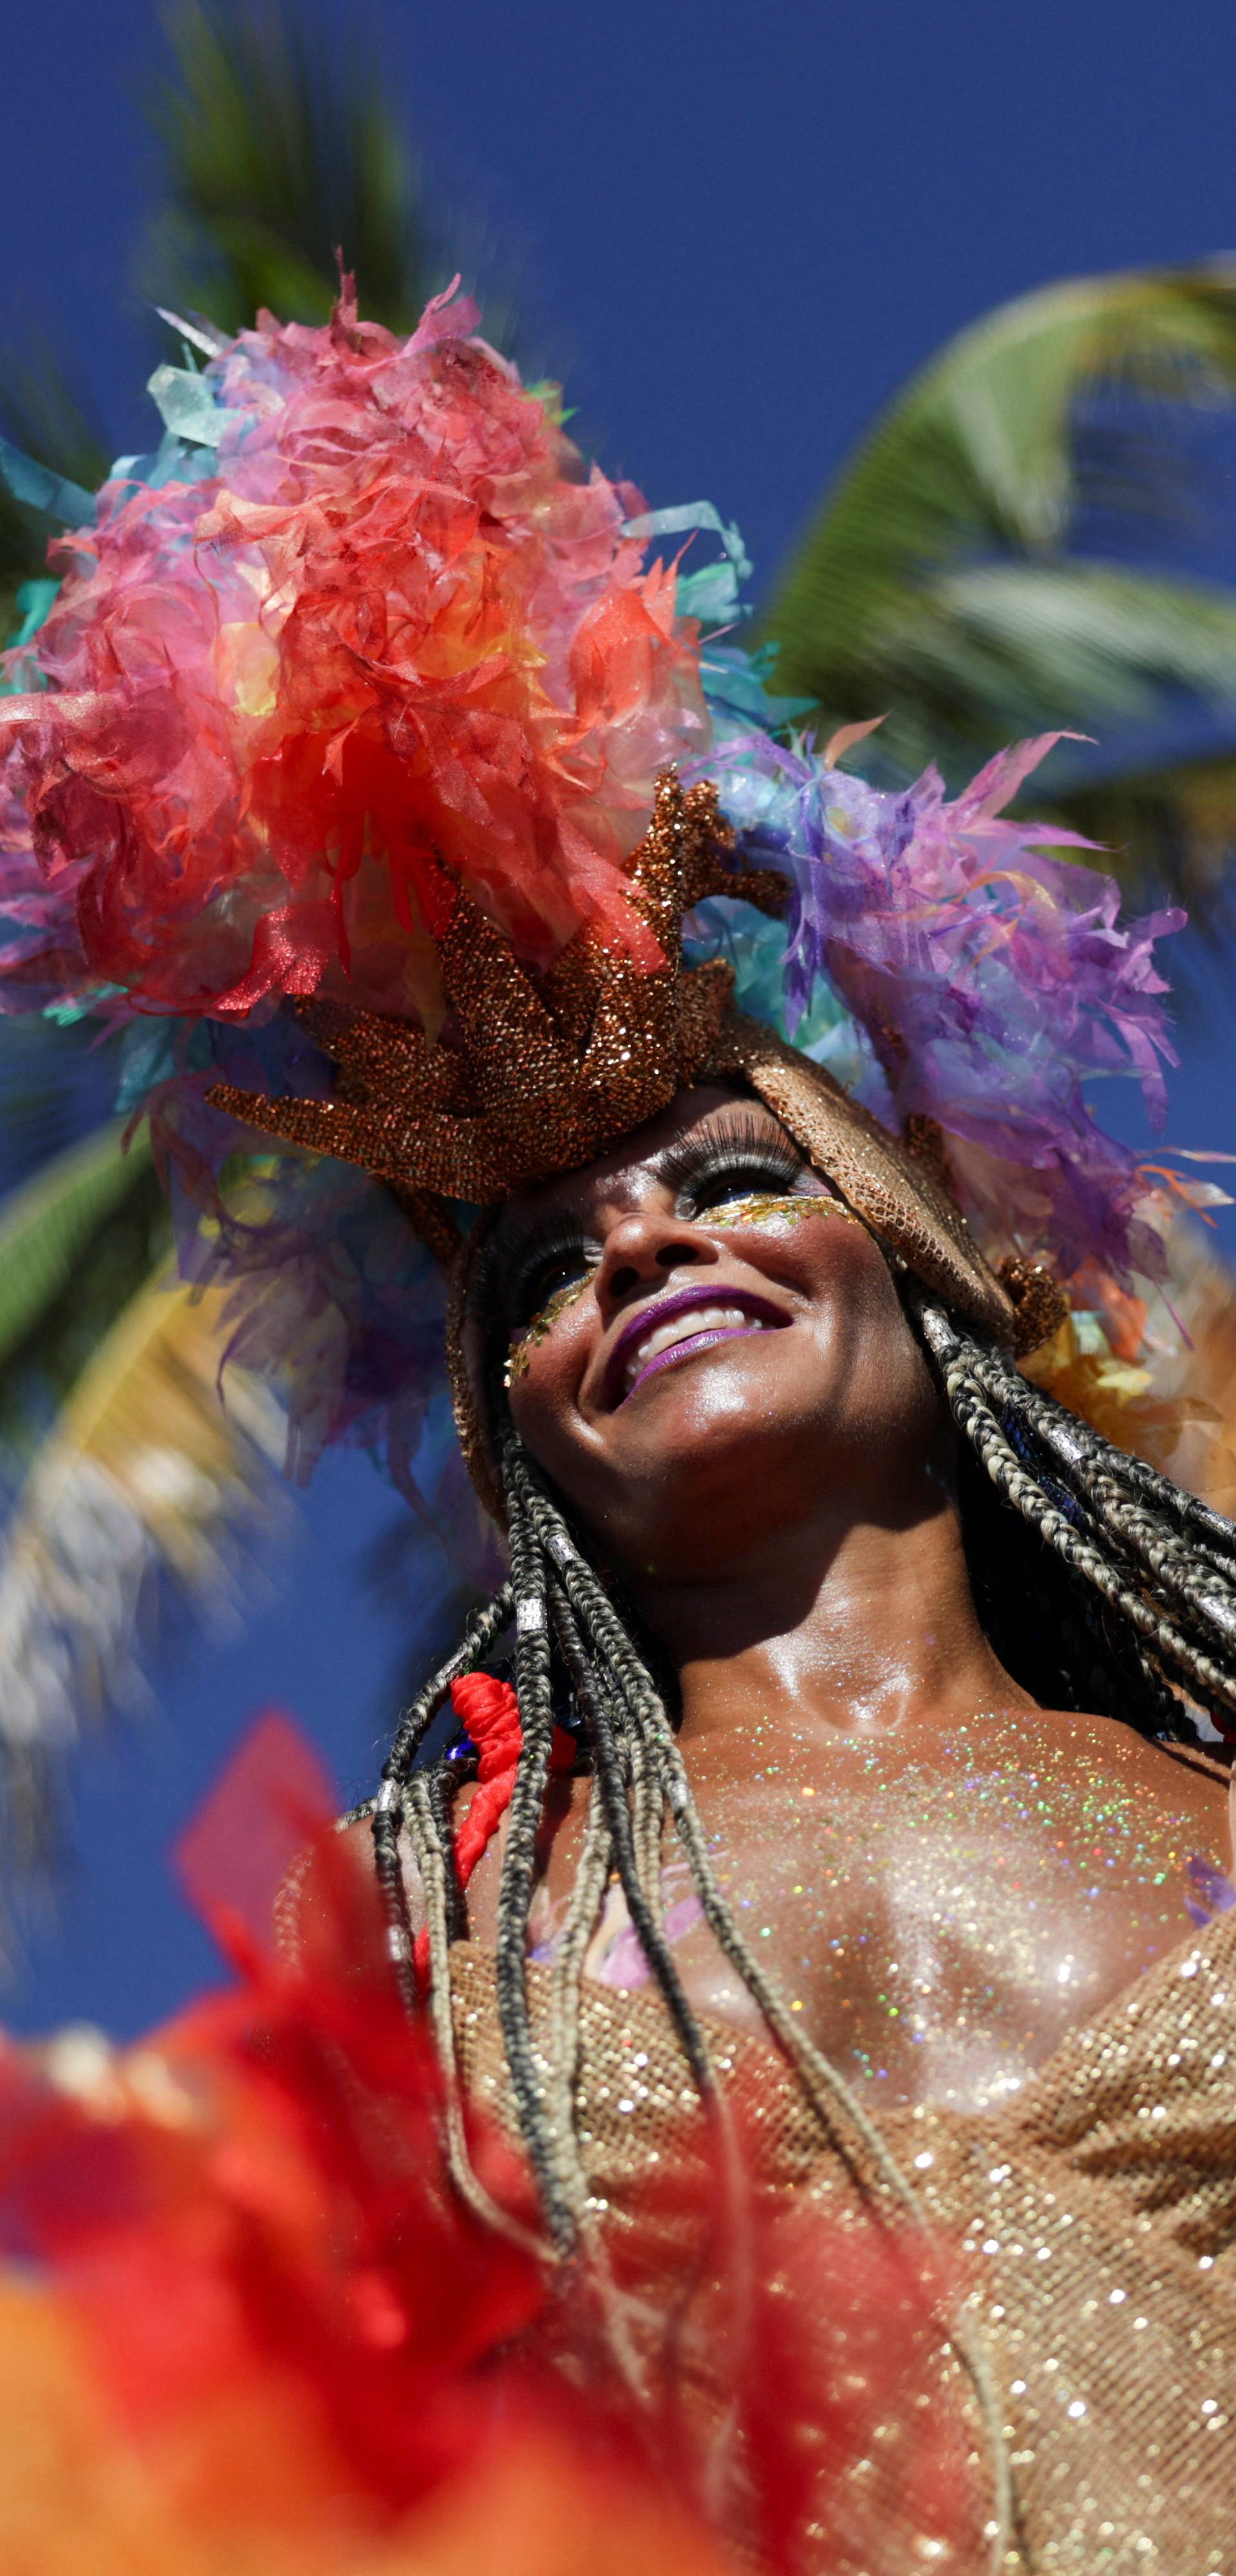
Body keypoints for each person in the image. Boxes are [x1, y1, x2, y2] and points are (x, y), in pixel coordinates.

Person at [2, 280, 1233, 2571]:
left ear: (925, 1269)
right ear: (512, 1439)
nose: (647, 1251)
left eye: (737, 1180)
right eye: (552, 1268)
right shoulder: (423, 1925)